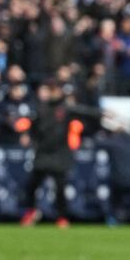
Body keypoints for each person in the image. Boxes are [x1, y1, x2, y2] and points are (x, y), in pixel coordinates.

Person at [18, 82, 76, 228]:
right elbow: (32, 125)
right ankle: (31, 212)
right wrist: (27, 135)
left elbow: (86, 112)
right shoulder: (40, 108)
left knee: (60, 188)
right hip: (43, 153)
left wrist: (103, 114)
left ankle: (62, 217)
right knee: (32, 185)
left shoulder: (66, 108)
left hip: (59, 154)